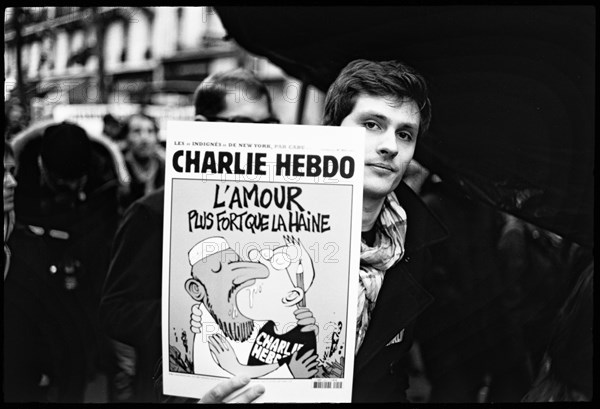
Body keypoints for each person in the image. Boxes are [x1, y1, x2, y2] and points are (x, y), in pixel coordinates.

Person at [99, 68, 280, 403]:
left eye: (268, 127)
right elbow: (116, 311)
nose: (261, 138)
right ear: (202, 128)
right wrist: (192, 315)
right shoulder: (154, 212)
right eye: (242, 125)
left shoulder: (276, 213)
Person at [321, 59, 446, 402]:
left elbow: (392, 374)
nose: (390, 145)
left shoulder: (416, 246)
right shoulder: (276, 229)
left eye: (405, 134)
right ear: (332, 131)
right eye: (372, 124)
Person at [10, 121, 123, 401]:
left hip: (87, 285)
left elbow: (107, 231)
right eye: (62, 183)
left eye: (77, 182)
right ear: (42, 166)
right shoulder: (17, 178)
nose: (71, 188)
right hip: (34, 284)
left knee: (79, 363)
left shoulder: (105, 176)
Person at [187, 236, 318, 379]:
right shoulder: (206, 323)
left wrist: (298, 319)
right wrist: (287, 372)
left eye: (237, 263)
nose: (243, 280)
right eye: (218, 272)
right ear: (196, 289)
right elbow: (205, 378)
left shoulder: (264, 322)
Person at [118, 113, 166, 211]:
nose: (144, 138)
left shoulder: (165, 167)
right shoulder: (118, 168)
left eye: (150, 131)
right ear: (126, 137)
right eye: (136, 131)